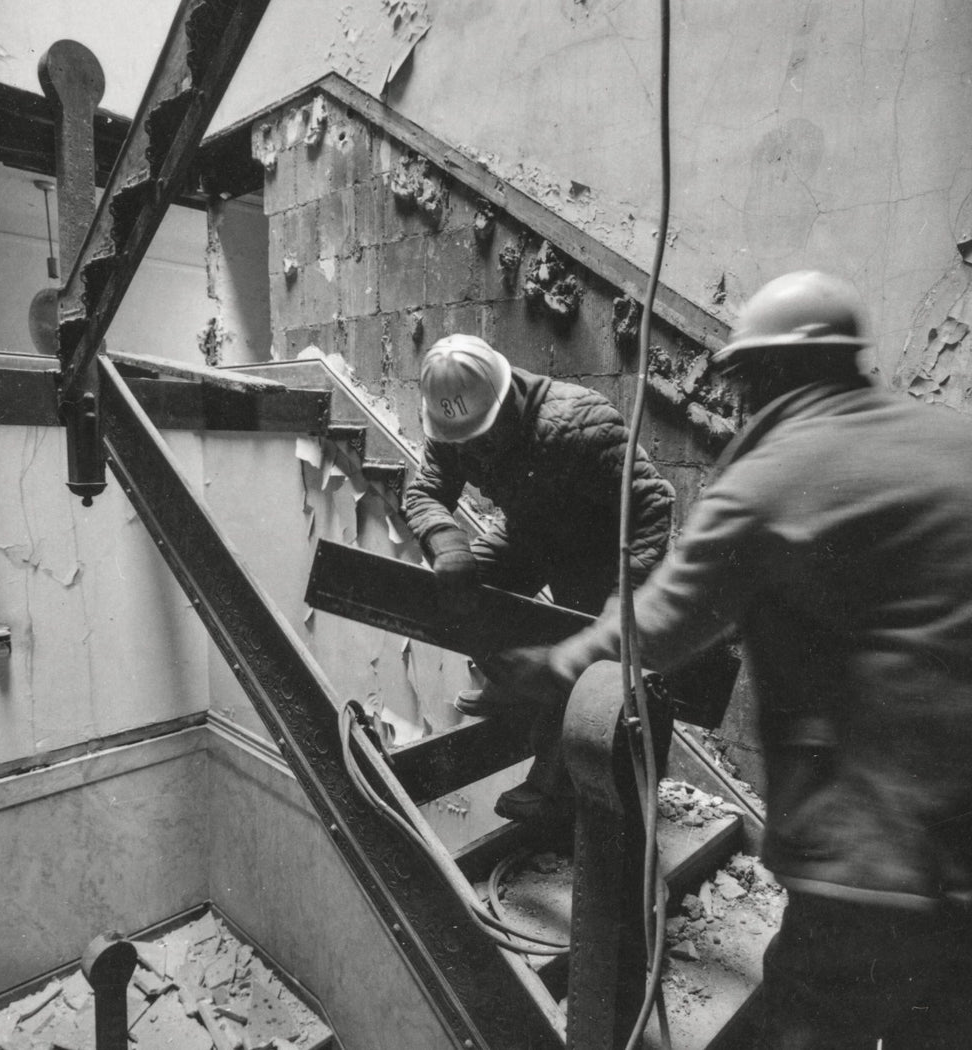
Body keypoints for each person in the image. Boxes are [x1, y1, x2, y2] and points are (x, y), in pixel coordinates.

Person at [483, 271, 972, 1049]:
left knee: (811, 1026)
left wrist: (550, 666)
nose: (741, 401)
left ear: (772, 372)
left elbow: (665, 622)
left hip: (870, 855)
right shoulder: (949, 439)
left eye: (745, 380)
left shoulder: (777, 475)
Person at [402, 333, 674, 824]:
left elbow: (653, 503)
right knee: (453, 589)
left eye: (481, 438)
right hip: (530, 536)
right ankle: (509, 681)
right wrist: (446, 541)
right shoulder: (456, 425)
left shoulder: (580, 422)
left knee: (586, 655)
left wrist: (623, 598)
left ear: (504, 401)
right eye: (461, 441)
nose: (473, 452)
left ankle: (558, 784)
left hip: (597, 553)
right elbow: (425, 491)